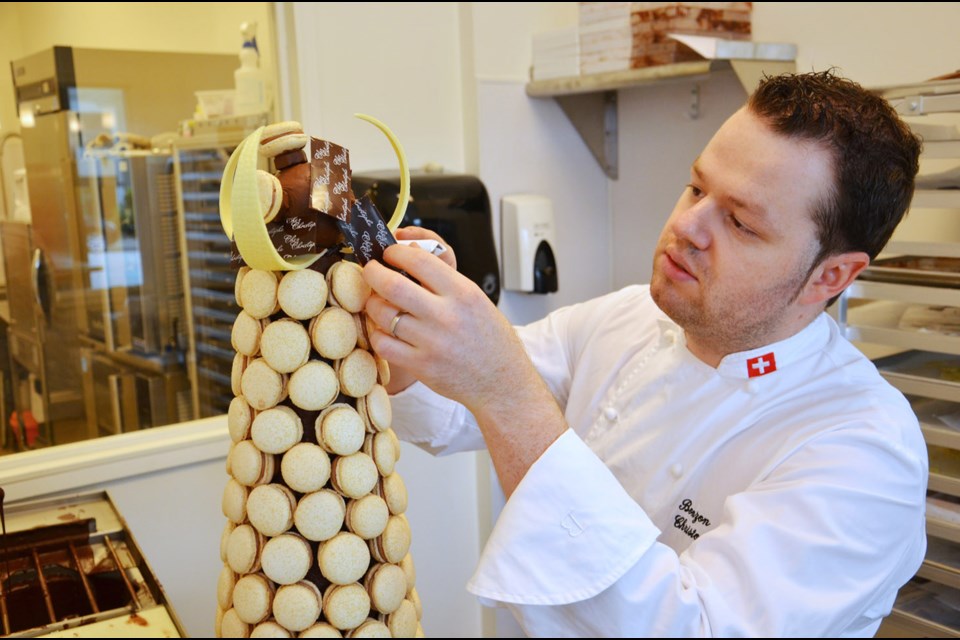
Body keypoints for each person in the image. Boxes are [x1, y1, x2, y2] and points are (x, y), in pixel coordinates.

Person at [361, 70, 927, 637]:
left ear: (831, 276)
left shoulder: (865, 450)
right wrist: (408, 330)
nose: (686, 226)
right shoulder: (631, 317)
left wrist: (505, 391)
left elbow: (692, 627)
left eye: (740, 223)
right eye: (697, 188)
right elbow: (454, 408)